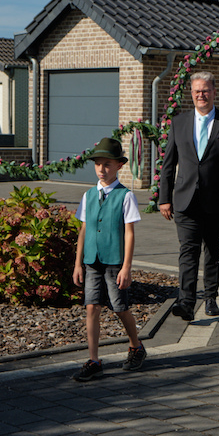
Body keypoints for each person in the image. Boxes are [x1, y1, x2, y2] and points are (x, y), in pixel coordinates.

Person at [159, 71, 219, 321]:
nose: (202, 94)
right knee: (188, 251)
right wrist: (164, 197)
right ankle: (186, 302)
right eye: (197, 90)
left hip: (218, 201)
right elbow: (168, 164)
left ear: (214, 92)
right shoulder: (179, 122)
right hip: (185, 200)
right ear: (191, 93)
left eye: (206, 90)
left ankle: (210, 298)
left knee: (214, 251)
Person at [72, 137, 145, 381]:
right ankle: (94, 360)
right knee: (91, 306)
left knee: (119, 306)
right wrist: (78, 263)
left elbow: (130, 233)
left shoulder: (126, 196)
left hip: (115, 261)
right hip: (92, 260)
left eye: (107, 165)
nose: (102, 170)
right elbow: (83, 230)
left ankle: (136, 346)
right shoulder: (88, 196)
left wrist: (127, 267)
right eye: (98, 165)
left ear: (119, 166)